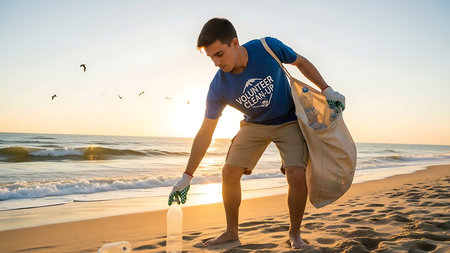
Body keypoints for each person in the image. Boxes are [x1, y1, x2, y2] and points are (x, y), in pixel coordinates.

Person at [168, 17, 345, 249]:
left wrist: (326, 89)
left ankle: (294, 233)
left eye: (219, 54)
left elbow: (300, 62)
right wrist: (186, 176)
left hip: (289, 119)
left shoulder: (267, 47)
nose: (215, 62)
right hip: (254, 124)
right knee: (229, 172)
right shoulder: (218, 86)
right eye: (211, 57)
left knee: (296, 174)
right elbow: (205, 131)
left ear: (234, 43)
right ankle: (231, 231)